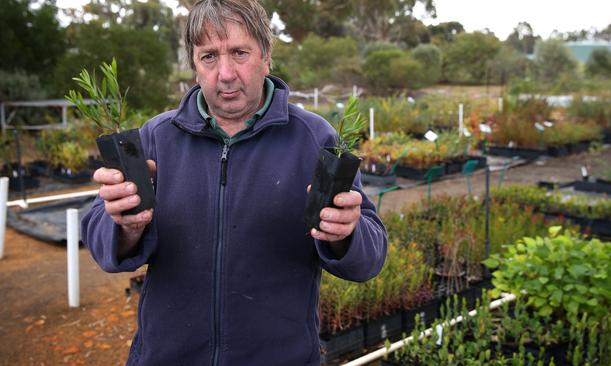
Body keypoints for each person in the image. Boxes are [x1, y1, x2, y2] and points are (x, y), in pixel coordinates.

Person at [81, 0, 388, 365]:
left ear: (266, 55)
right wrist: (124, 226)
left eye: (239, 52)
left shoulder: (313, 139)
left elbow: (369, 259)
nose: (225, 73)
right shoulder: (156, 138)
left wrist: (346, 235)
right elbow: (100, 240)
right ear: (194, 66)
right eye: (209, 56)